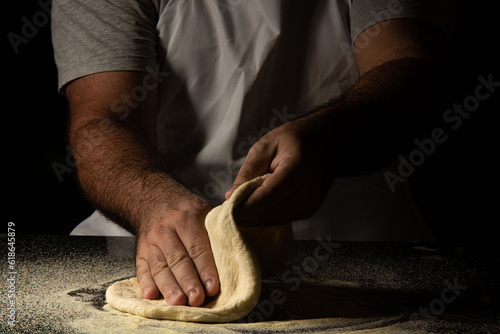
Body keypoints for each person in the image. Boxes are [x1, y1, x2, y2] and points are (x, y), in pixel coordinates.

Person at [51, 0, 453, 307]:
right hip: (153, 253)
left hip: (362, 252)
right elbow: (102, 121)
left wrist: (327, 139)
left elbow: (411, 66)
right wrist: (152, 203)